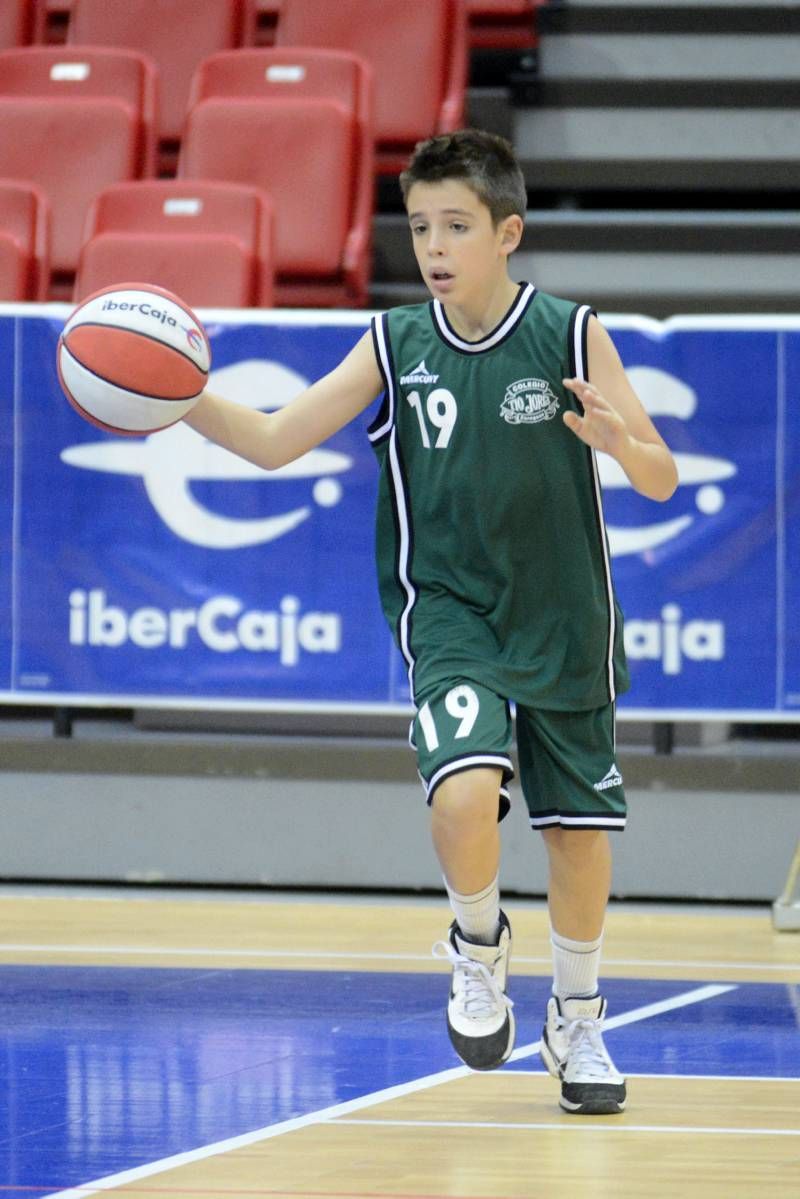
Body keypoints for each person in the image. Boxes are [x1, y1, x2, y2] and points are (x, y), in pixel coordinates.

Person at [184, 128, 678, 1115]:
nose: (434, 245)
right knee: (460, 794)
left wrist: (623, 442)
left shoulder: (572, 333)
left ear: (508, 233)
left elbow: (660, 477)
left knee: (577, 837)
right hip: (449, 612)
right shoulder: (392, 342)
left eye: (456, 224)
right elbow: (278, 439)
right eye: (419, 228)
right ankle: (476, 944)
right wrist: (176, 398)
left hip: (565, 618)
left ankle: (576, 1016)